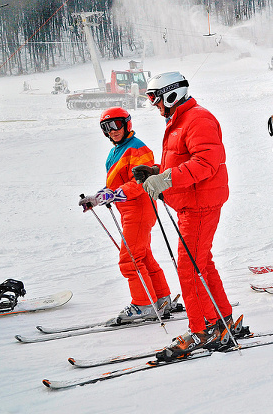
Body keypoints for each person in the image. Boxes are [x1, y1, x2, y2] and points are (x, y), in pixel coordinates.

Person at [137, 72, 242, 361]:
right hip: (191, 203)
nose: (156, 106)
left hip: (200, 205)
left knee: (189, 267)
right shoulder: (181, 120)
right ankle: (223, 321)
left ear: (171, 95)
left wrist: (166, 179)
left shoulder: (197, 119)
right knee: (201, 264)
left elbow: (207, 162)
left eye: (157, 100)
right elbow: (184, 160)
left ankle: (201, 329)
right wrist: (157, 172)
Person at [78, 108, 174, 323]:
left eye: (116, 125)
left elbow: (141, 182)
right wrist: (98, 197)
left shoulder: (137, 149)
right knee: (143, 256)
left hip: (139, 207)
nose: (112, 131)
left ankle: (143, 304)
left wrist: (114, 194)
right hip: (129, 209)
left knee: (129, 260)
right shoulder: (119, 149)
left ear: (126, 124)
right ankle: (161, 299)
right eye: (106, 127)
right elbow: (116, 182)